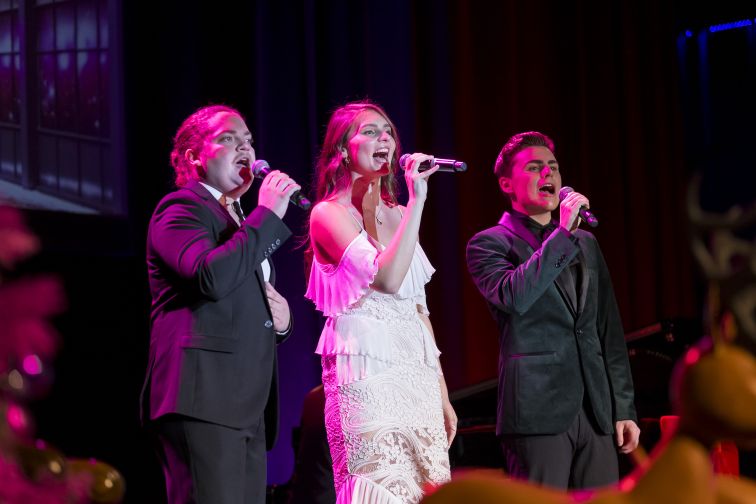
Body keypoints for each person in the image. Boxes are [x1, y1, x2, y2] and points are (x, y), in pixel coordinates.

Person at [140, 104, 300, 503]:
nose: (245, 147)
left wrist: (281, 322)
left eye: (247, 139)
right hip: (204, 399)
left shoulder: (240, 222)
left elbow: (240, 298)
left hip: (246, 403)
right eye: (228, 139)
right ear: (195, 157)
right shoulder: (180, 209)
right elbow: (210, 276)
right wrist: (267, 214)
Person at [465, 131, 640, 489]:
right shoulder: (488, 243)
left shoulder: (585, 243)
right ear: (506, 184)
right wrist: (562, 234)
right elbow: (515, 296)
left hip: (595, 411)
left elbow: (607, 329)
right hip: (536, 413)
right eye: (535, 167)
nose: (549, 174)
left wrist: (624, 408)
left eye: (554, 167)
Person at [304, 100, 455, 503]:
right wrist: (419, 201)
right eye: (369, 131)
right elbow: (386, 280)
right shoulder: (327, 214)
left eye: (388, 130)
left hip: (417, 378)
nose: (384, 138)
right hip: (367, 374)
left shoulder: (400, 212)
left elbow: (418, 309)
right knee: (380, 490)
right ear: (341, 149)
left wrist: (441, 391)